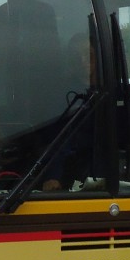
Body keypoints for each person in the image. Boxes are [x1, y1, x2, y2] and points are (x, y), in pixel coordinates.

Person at [41, 31, 99, 191]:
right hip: (75, 176)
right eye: (76, 56)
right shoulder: (61, 94)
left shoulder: (111, 90)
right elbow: (58, 138)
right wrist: (53, 175)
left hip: (113, 175)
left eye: (88, 55)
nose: (82, 61)